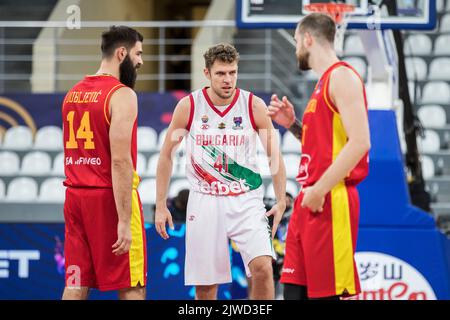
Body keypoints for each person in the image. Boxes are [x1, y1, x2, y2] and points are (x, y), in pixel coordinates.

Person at [155, 43, 287, 300]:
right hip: (205, 199)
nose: (228, 80)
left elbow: (275, 156)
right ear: (207, 73)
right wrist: (161, 204)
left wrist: (281, 200)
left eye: (232, 73)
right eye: (221, 74)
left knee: (263, 268)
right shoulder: (189, 105)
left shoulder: (253, 105)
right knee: (206, 286)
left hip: (246, 197)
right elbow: (166, 156)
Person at [268, 13, 371, 300]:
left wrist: (320, 189)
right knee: (293, 293)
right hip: (309, 199)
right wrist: (293, 125)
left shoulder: (342, 77)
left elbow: (361, 142)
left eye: (296, 41)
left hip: (329, 198)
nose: (295, 48)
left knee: (326, 296)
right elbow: (323, 146)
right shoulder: (322, 84)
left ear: (308, 38)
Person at [61, 26, 146, 300]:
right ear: (122, 53)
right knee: (132, 284)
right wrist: (123, 219)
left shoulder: (73, 93)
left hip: (75, 197)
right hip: (108, 198)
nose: (141, 61)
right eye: (138, 53)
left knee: (76, 282)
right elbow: (120, 161)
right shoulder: (122, 94)